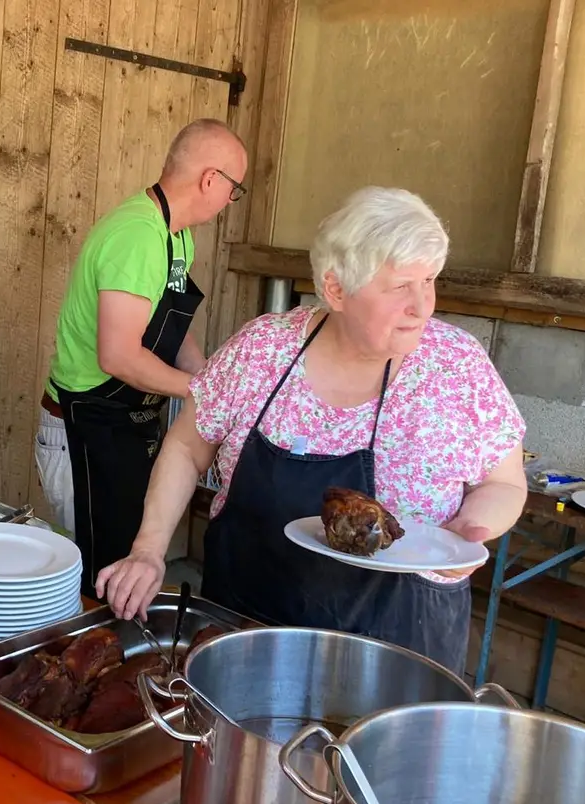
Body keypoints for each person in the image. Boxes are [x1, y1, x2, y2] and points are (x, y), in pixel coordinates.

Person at [95, 186, 527, 676]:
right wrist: (149, 551)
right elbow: (186, 447)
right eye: (401, 285)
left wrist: (468, 532)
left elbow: (505, 484)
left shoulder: (457, 368)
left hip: (398, 653)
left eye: (429, 280)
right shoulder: (262, 350)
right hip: (247, 631)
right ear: (336, 288)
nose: (422, 305)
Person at [36, 118, 247, 596]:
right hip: (84, 425)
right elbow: (119, 357)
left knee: (129, 561)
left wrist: (210, 374)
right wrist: (203, 392)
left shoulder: (178, 237)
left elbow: (173, 326)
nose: (229, 202)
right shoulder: (136, 236)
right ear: (211, 180)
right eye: (235, 189)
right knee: (98, 576)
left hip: (126, 424)